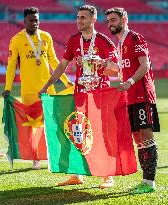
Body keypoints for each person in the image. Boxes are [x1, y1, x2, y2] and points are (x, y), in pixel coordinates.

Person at [39, 5, 117, 188]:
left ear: (93, 19)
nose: (79, 21)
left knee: (100, 134)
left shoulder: (104, 41)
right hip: (81, 94)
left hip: (100, 95)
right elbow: (62, 65)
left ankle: (107, 175)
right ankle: (77, 174)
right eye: (77, 17)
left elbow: (116, 68)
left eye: (83, 17)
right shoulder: (74, 40)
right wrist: (47, 85)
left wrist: (99, 62)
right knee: (78, 133)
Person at [2, 7, 72, 170]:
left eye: (37, 20)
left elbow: (54, 61)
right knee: (33, 127)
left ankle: (51, 155)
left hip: (49, 89)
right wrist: (7, 88)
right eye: (31, 20)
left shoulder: (46, 37)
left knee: (52, 124)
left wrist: (66, 80)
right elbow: (11, 66)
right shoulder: (17, 39)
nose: (34, 23)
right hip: (29, 90)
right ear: (24, 21)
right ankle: (35, 158)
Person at [104, 7, 160, 194]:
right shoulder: (119, 44)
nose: (110, 24)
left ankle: (149, 183)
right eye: (108, 21)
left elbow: (145, 65)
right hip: (129, 96)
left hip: (141, 94)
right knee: (138, 139)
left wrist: (128, 81)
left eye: (113, 20)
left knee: (146, 136)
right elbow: (121, 70)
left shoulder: (134, 37)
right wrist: (103, 65)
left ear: (124, 19)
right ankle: (145, 181)